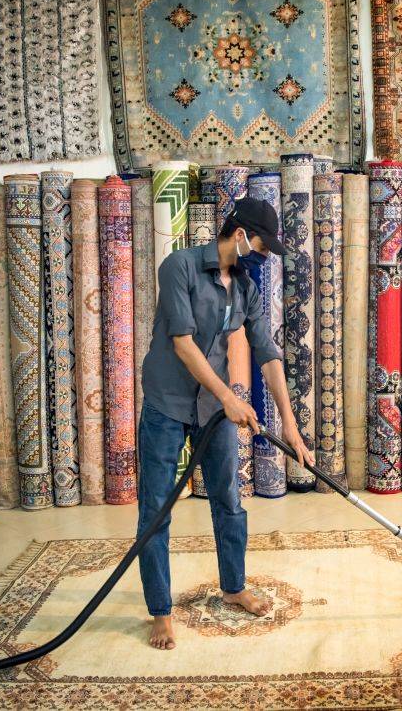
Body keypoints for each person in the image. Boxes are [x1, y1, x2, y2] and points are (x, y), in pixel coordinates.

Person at [137, 196, 315, 650]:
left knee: (229, 501)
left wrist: (291, 427)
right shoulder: (178, 267)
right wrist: (229, 397)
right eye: (260, 246)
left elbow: (268, 354)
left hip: (211, 408)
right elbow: (182, 343)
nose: (262, 256)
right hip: (166, 402)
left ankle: (233, 587)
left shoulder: (245, 289)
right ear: (239, 236)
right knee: (156, 509)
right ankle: (161, 612)